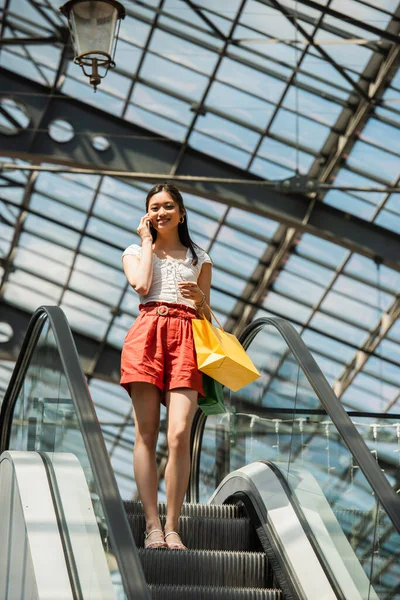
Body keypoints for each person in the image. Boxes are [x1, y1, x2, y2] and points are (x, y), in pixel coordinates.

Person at [120, 182, 212, 550]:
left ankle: (173, 526)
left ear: (182, 212)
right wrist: (145, 241)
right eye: (154, 207)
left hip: (187, 339)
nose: (161, 213)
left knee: (178, 435)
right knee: (147, 432)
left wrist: (201, 299)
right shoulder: (133, 251)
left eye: (168, 206)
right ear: (147, 214)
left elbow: (206, 316)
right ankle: (152, 524)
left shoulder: (199, 257)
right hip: (147, 334)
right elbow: (142, 286)